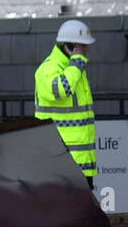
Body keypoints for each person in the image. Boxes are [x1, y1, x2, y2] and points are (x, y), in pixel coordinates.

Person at [34, 19, 97, 187]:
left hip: (79, 162)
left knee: (83, 212)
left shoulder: (74, 69)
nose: (86, 49)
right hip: (60, 163)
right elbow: (61, 90)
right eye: (82, 45)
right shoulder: (49, 69)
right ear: (68, 46)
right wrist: (76, 64)